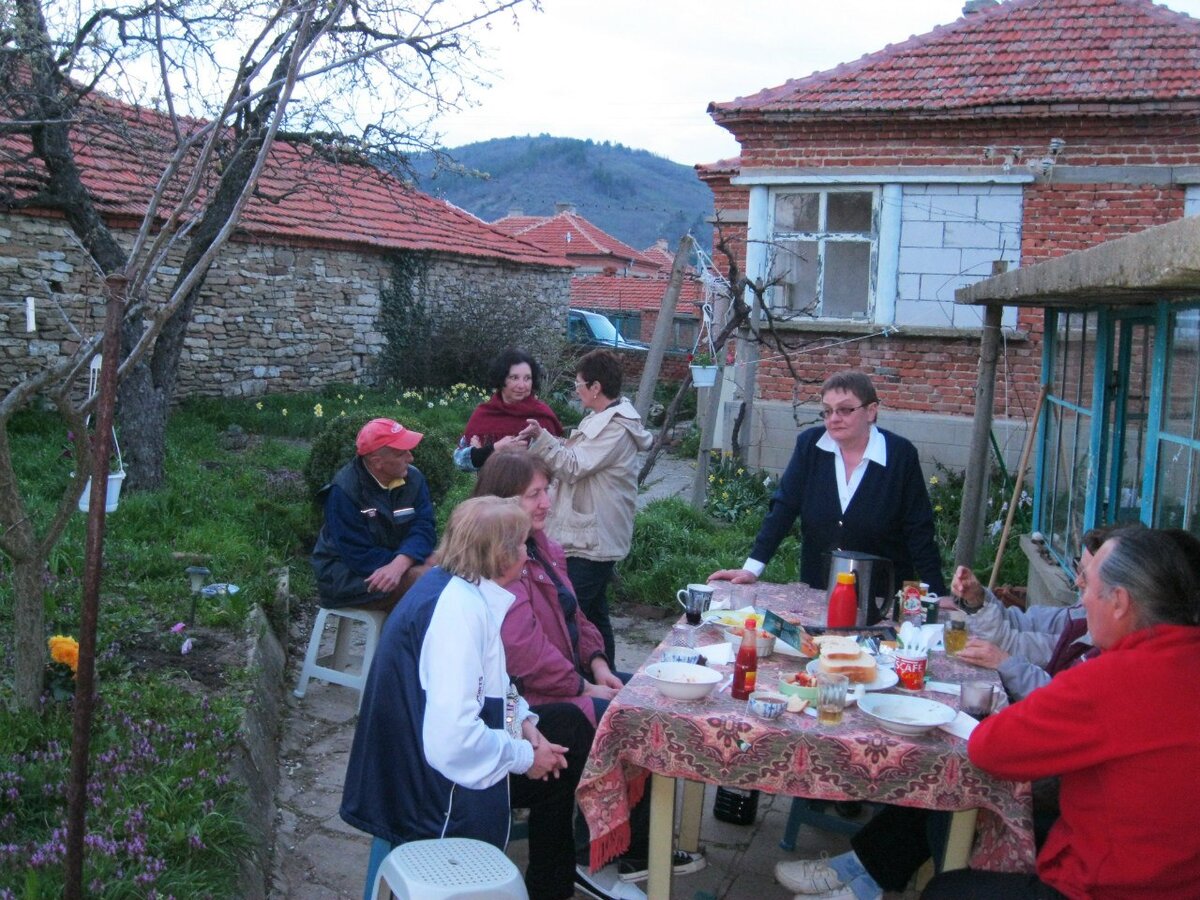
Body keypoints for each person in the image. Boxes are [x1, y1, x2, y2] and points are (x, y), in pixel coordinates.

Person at [472, 451, 705, 896]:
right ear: (501, 503)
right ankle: (606, 850)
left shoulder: (545, 546)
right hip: (530, 698)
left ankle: (627, 844)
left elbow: (577, 618)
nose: (545, 502)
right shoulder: (504, 559)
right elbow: (525, 654)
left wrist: (599, 664)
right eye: (532, 494)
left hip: (568, 677)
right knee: (635, 719)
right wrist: (585, 685)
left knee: (653, 694)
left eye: (547, 490)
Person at [922, 527, 1200, 899]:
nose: (1081, 601)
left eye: (1088, 589)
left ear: (1119, 601)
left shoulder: (1111, 678)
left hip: (1108, 886)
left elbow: (988, 749)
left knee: (946, 890)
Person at [339, 496, 594, 900]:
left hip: (424, 760)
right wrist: (526, 757)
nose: (529, 554)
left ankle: (551, 883)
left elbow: (497, 686)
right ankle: (548, 884)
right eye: (523, 544)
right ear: (500, 553)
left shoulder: (461, 590)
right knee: (559, 765)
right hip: (426, 786)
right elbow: (453, 741)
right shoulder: (457, 613)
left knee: (566, 728)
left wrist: (526, 725)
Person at [708, 371, 946, 595]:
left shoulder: (899, 455)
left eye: (845, 410)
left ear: (871, 411)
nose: (834, 419)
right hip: (819, 589)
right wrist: (752, 568)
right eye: (827, 411)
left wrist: (935, 591)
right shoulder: (810, 447)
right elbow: (783, 508)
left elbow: (919, 527)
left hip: (881, 596)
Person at [519, 349, 653, 662]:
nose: (576, 391)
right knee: (594, 613)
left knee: (570, 611)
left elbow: (574, 466)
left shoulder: (616, 428)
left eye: (578, 384)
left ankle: (575, 678)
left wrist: (542, 439)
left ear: (595, 387)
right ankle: (606, 679)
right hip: (589, 533)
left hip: (593, 539)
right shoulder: (601, 418)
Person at [950, 526, 1117, 700]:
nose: (1077, 582)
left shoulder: (1106, 649)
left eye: (1087, 577)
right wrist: (978, 599)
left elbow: (1061, 703)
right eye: (1078, 569)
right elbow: (1023, 624)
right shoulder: (1080, 614)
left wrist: (1005, 663)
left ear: (1119, 597)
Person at [310, 417, 436, 612]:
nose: (411, 458)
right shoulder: (343, 491)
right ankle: (403, 642)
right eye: (402, 453)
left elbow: (424, 527)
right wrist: (408, 563)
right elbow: (358, 555)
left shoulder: (413, 478)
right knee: (427, 581)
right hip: (347, 576)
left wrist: (403, 561)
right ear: (378, 462)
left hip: (396, 563)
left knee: (451, 565)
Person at [455, 348, 563, 472]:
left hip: (535, 489)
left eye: (527, 378)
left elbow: (558, 462)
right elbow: (459, 461)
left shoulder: (541, 416)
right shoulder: (484, 414)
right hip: (491, 489)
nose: (522, 385)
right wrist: (494, 449)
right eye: (514, 378)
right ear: (501, 379)